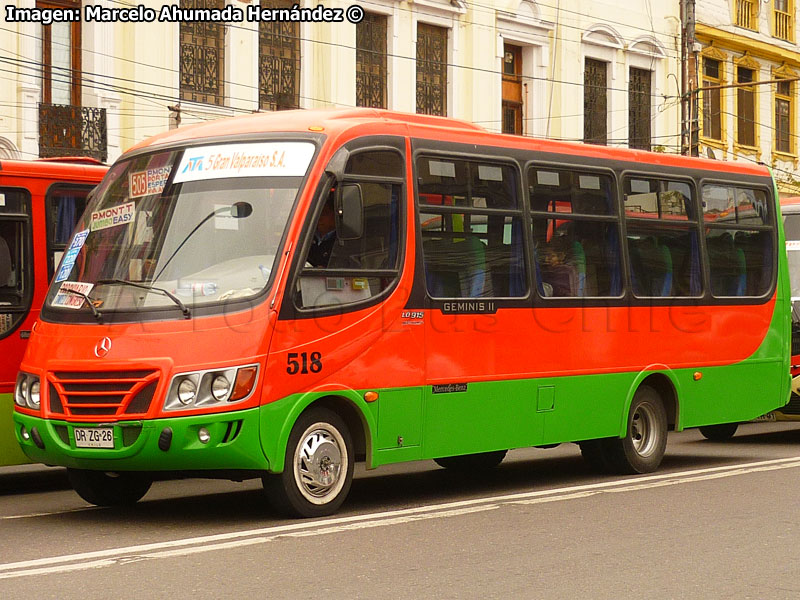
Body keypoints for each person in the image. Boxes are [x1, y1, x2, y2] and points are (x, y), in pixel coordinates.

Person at [307, 198, 336, 267]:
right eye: (317, 214)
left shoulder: (342, 240)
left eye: (325, 213)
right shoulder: (307, 237)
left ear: (335, 215)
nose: (320, 218)